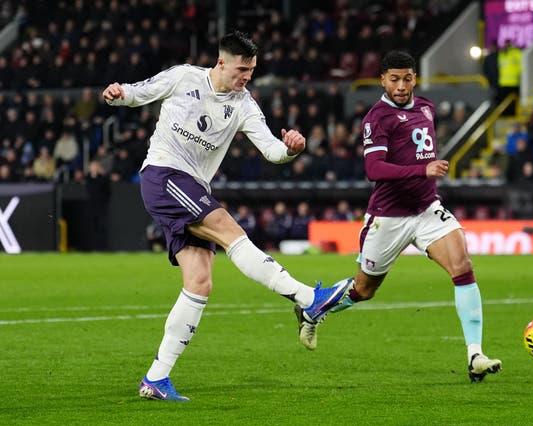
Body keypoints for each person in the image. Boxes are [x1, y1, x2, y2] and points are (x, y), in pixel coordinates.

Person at [102, 30, 352, 401]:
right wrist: (118, 93)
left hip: (194, 188)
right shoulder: (184, 77)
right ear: (221, 62)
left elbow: (271, 150)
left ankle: (156, 379)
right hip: (163, 174)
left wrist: (291, 149)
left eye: (251, 70)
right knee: (227, 227)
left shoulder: (245, 105)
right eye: (242, 69)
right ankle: (306, 298)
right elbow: (139, 92)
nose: (247, 76)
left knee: (200, 281)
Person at [293, 51, 502, 383]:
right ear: (382, 80)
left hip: (427, 209)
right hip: (388, 217)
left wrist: (425, 175)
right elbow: (373, 169)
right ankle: (313, 307)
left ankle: (475, 354)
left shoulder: (427, 108)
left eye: (407, 78)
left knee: (462, 267)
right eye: (394, 79)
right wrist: (423, 169)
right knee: (364, 290)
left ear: (415, 78)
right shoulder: (377, 119)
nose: (401, 86)